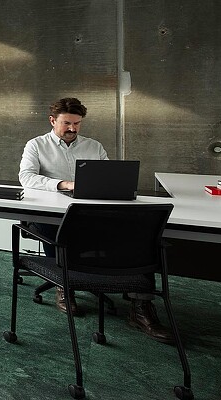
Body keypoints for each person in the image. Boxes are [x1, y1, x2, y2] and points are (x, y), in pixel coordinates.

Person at [18, 97, 174, 344]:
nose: (72, 129)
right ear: (52, 120)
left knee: (139, 235)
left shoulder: (94, 146)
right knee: (58, 230)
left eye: (77, 124)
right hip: (52, 214)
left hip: (91, 212)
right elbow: (26, 177)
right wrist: (63, 184)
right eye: (67, 123)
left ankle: (140, 306)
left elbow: (109, 178)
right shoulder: (36, 145)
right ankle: (64, 286)